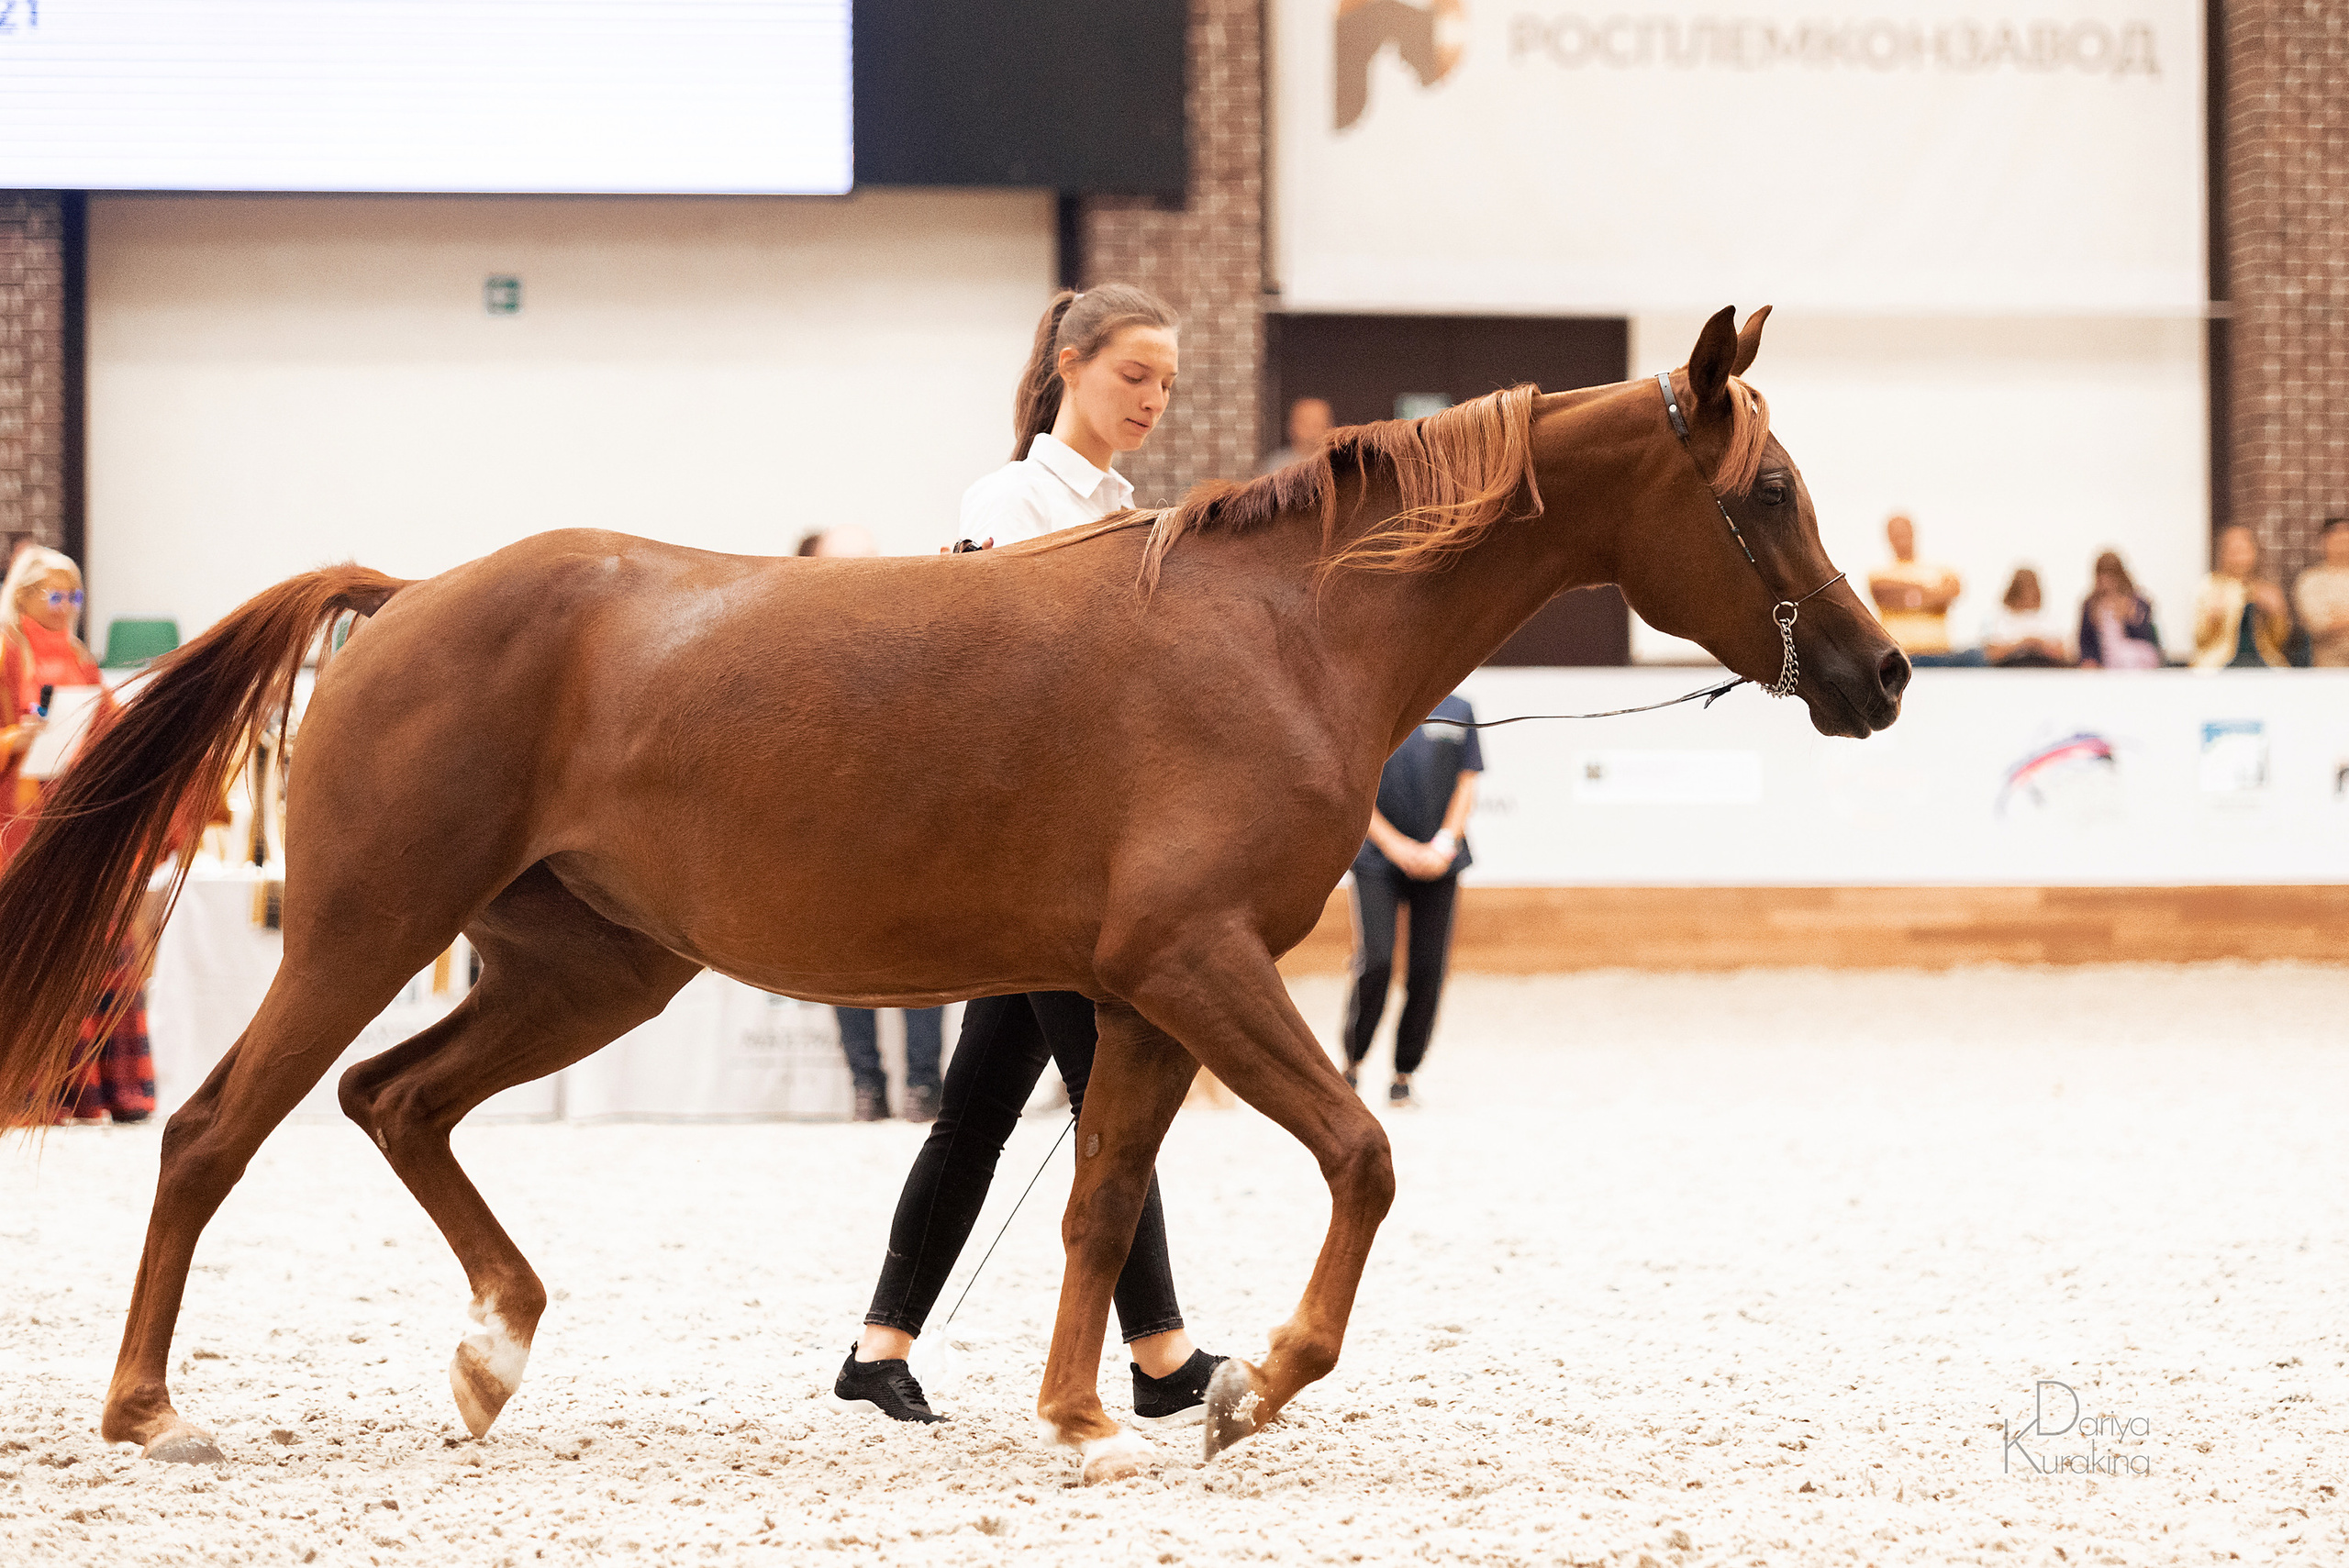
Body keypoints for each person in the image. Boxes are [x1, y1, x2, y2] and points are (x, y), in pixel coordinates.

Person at [834, 284, 1227, 1432]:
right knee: (1116, 1098)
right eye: (1133, 375)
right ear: (1070, 364)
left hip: (1067, 855)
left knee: (978, 1108)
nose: (1153, 398)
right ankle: (1160, 1352)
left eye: (1165, 380)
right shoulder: (1007, 500)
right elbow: (998, 683)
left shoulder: (1125, 507)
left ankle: (879, 1344)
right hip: (1034, 856)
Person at [793, 525, 948, 1122]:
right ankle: (866, 1085)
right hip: (833, 829)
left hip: (908, 820)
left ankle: (923, 1086)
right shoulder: (796, 647)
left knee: (924, 950)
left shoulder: (903, 641)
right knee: (841, 954)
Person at [1, 547, 154, 1125]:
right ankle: (31, 1090)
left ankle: (106, 1090)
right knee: (36, 949)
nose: (67, 608)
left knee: (103, 942)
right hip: (17, 831)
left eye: (76, 597)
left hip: (73, 822)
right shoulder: (6, 651)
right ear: (23, 597)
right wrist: (18, 738)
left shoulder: (83, 660)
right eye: (55, 595)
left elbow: (110, 732)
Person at [1342, 694, 1481, 1107]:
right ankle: (1351, 1064)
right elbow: (1355, 787)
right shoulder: (1375, 704)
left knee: (1427, 970)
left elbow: (1467, 781)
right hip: (1377, 859)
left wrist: (1442, 845)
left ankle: (1403, 1075)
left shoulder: (1459, 710)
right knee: (1378, 961)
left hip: (1440, 861)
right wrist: (1396, 847)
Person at [1867, 514, 1965, 663]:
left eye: (1904, 532)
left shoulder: (1943, 571)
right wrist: (1930, 593)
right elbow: (1884, 594)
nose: (1901, 539)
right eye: (1896, 534)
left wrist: (1907, 595)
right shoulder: (1878, 575)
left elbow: (1951, 592)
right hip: (1899, 656)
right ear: (1888, 537)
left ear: (1913, 532)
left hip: (1940, 655)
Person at [2192, 526, 2291, 670]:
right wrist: (2213, 618)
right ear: (2223, 554)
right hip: (2217, 662)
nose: (2239, 558)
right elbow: (2199, 640)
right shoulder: (2210, 587)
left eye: (2244, 551)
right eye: (2233, 551)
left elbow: (2279, 641)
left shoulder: (2267, 589)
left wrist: (2276, 614)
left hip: (2264, 662)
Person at [2075, 550, 2163, 670]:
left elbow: (2146, 637)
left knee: (2129, 658)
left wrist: (2130, 617)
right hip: (2104, 664)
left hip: (2134, 660)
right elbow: (2085, 641)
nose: (2107, 581)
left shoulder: (2137, 602)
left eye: (2111, 576)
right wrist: (2090, 660)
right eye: (2102, 575)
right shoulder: (2091, 604)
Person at [1980, 568, 2068, 667]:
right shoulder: (1998, 617)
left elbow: (2063, 653)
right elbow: (1991, 654)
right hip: (2009, 668)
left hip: (2043, 667)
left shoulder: (2048, 618)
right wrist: (2021, 643)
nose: (2028, 595)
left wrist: (2039, 643)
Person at [2291, 517, 2349, 669]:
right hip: (2329, 668)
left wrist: (2339, 615)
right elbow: (2318, 625)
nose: (2343, 543)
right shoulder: (2311, 580)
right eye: (2336, 538)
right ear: (2323, 542)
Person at [1258, 395, 1334, 475]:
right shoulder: (1276, 466)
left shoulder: (1339, 464)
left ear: (1331, 427)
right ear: (1291, 427)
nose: (1311, 431)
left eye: (1317, 424)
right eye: (1305, 424)